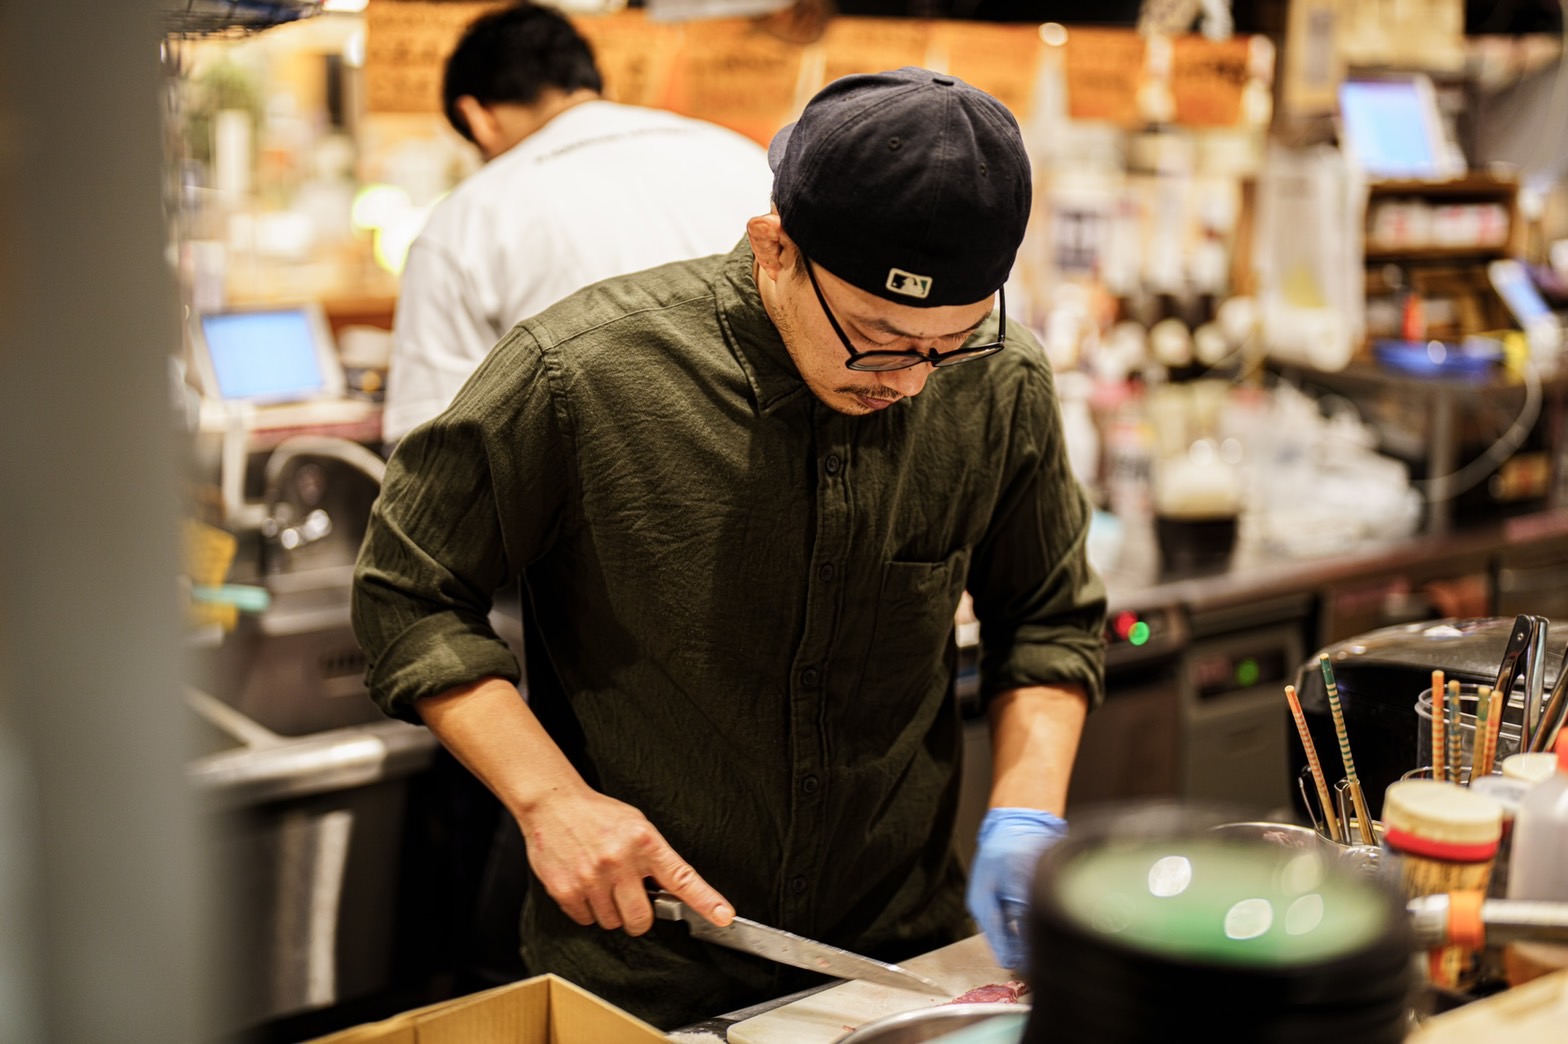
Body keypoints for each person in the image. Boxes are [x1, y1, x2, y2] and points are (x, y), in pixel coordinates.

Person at [353, 67, 1106, 1029]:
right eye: (877, 339)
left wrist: (1028, 810)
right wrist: (551, 803)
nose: (914, 383)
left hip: (897, 961)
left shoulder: (1001, 386)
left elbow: (1047, 617)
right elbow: (406, 591)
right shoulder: (581, 373)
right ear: (776, 247)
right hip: (640, 964)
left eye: (951, 342)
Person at [381, 1, 774, 445]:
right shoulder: (745, 158)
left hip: (598, 501)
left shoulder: (468, 216)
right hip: (779, 483)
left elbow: (431, 445)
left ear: (477, 117)